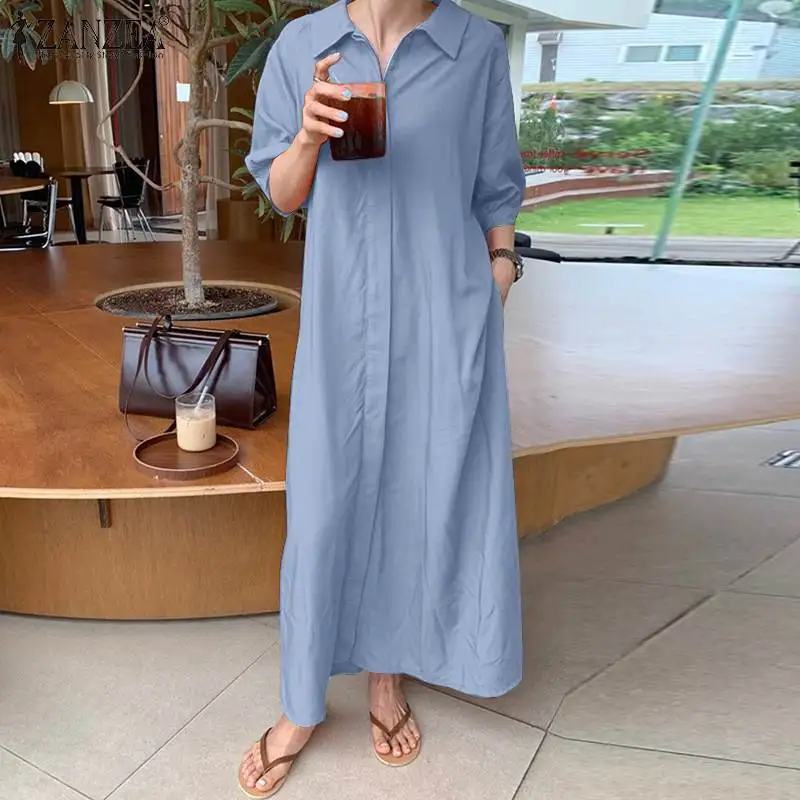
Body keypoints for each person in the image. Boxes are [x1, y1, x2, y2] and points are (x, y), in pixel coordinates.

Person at [239, 0, 525, 795]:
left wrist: (502, 270)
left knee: (417, 490)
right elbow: (282, 194)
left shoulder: (474, 48)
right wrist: (306, 137)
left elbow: (496, 183)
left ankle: (386, 676)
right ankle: (300, 703)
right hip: (344, 317)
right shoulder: (304, 44)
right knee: (322, 503)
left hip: (444, 308)